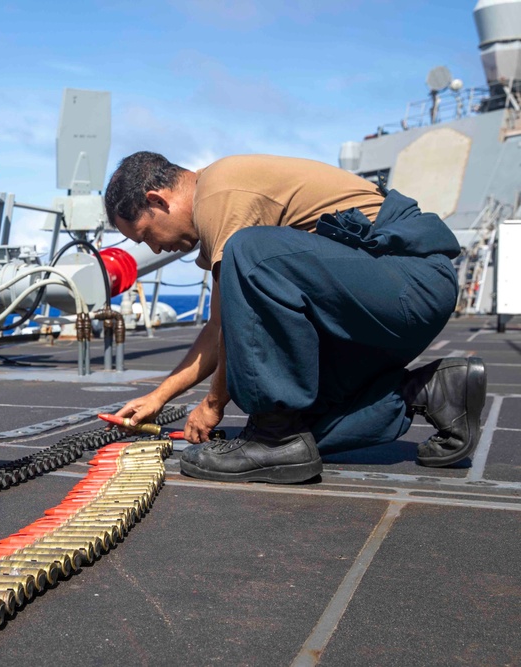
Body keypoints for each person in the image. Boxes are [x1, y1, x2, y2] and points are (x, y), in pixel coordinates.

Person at [105, 152, 486, 484]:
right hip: (381, 300)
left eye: (147, 235)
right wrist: (158, 397)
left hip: (409, 281)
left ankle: (275, 438)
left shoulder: (220, 193)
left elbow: (234, 317)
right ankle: (429, 391)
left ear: (156, 200)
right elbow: (219, 326)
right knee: (302, 434)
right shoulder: (220, 207)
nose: (155, 248)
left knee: (248, 251)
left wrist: (213, 405)